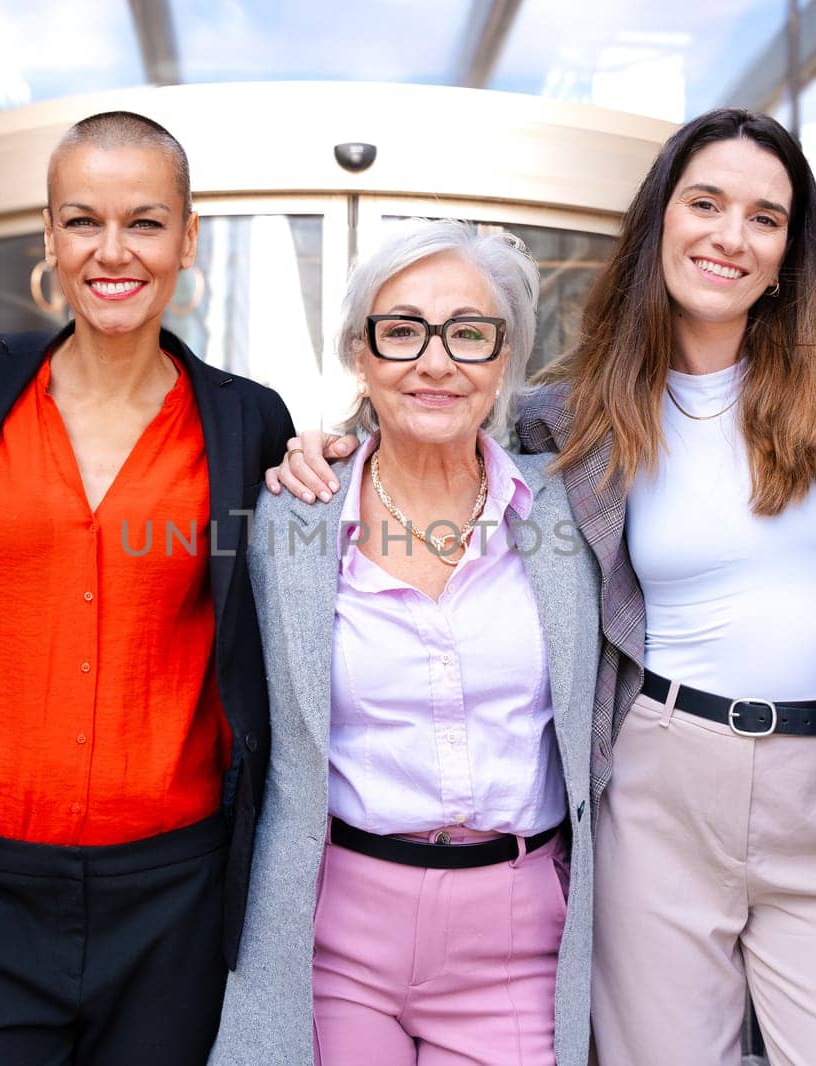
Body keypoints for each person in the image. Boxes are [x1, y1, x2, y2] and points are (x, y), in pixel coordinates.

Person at [268, 110, 816, 1066]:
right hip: (659, 781)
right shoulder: (579, 411)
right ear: (659, 222)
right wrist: (331, 441)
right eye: (705, 203)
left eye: (765, 218)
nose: (731, 236)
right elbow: (436, 398)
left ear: (787, 255)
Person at [0, 111, 295, 1066]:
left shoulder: (246, 421)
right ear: (49, 236)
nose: (113, 251)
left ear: (188, 236)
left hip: (175, 889)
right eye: (83, 221)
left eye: (145, 222)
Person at [212, 220, 599, 1065]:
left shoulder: (570, 513)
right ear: (362, 354)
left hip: (517, 939)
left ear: (506, 358)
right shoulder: (293, 516)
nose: (436, 362)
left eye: (469, 333)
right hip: (337, 933)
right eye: (402, 332)